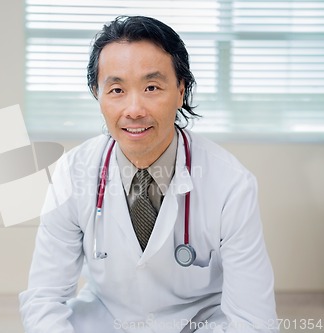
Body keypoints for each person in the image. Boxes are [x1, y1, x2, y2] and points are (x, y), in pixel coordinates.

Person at [19, 16, 278, 333]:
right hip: (106, 318)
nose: (134, 109)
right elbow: (44, 299)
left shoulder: (231, 184)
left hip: (199, 323)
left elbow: (255, 322)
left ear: (181, 90)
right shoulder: (72, 174)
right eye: (116, 89)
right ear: (96, 94)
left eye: (152, 87)